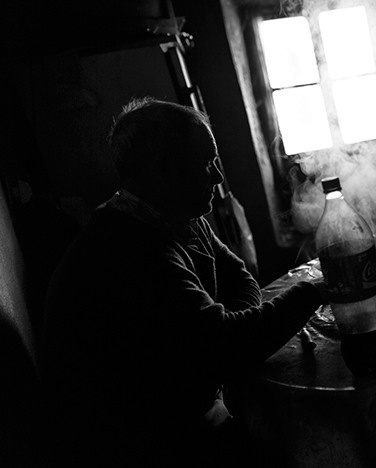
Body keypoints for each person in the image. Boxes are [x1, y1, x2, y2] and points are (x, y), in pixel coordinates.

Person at [42, 98, 324, 467]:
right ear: (165, 171)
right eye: (207, 163)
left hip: (188, 413)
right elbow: (226, 345)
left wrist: (227, 334)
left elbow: (241, 280)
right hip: (142, 447)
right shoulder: (126, 249)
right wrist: (315, 290)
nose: (218, 176)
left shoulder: (179, 215)